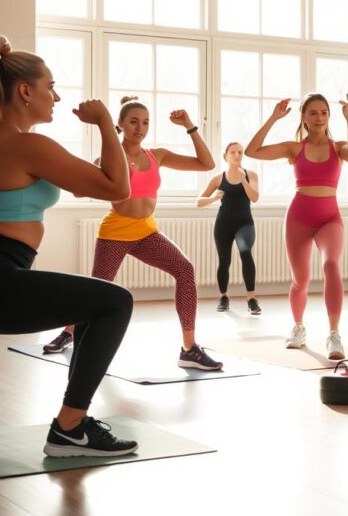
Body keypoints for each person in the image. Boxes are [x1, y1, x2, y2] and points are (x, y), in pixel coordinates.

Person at [0, 34, 137, 456]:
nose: (56, 97)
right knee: (115, 303)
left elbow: (80, 183)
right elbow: (118, 188)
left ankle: (70, 426)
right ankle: (70, 428)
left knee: (94, 305)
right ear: (25, 91)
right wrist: (104, 124)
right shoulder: (28, 145)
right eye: (50, 87)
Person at [42, 97, 222, 371]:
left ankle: (189, 349)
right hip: (115, 232)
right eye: (134, 121)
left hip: (146, 232)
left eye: (146, 122)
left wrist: (189, 126)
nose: (140, 128)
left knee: (185, 270)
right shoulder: (110, 158)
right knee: (98, 288)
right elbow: (81, 189)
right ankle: (69, 332)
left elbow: (206, 164)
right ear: (120, 124)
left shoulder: (156, 155)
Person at [245, 93, 348, 360]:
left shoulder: (339, 147)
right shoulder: (294, 149)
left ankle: (334, 335)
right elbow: (253, 151)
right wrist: (274, 117)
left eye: (324, 112)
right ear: (304, 118)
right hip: (299, 218)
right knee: (301, 281)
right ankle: (298, 328)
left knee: (331, 265)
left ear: (329, 117)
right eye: (313, 113)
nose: (319, 118)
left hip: (329, 218)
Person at [197, 142, 261, 314]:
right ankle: (224, 296)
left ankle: (251, 299)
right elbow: (198, 201)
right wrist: (212, 199)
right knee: (224, 261)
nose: (237, 155)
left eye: (240, 152)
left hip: (245, 223)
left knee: (245, 252)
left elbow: (254, 197)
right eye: (233, 152)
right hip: (223, 224)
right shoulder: (218, 178)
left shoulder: (251, 175)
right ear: (226, 156)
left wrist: (243, 181)